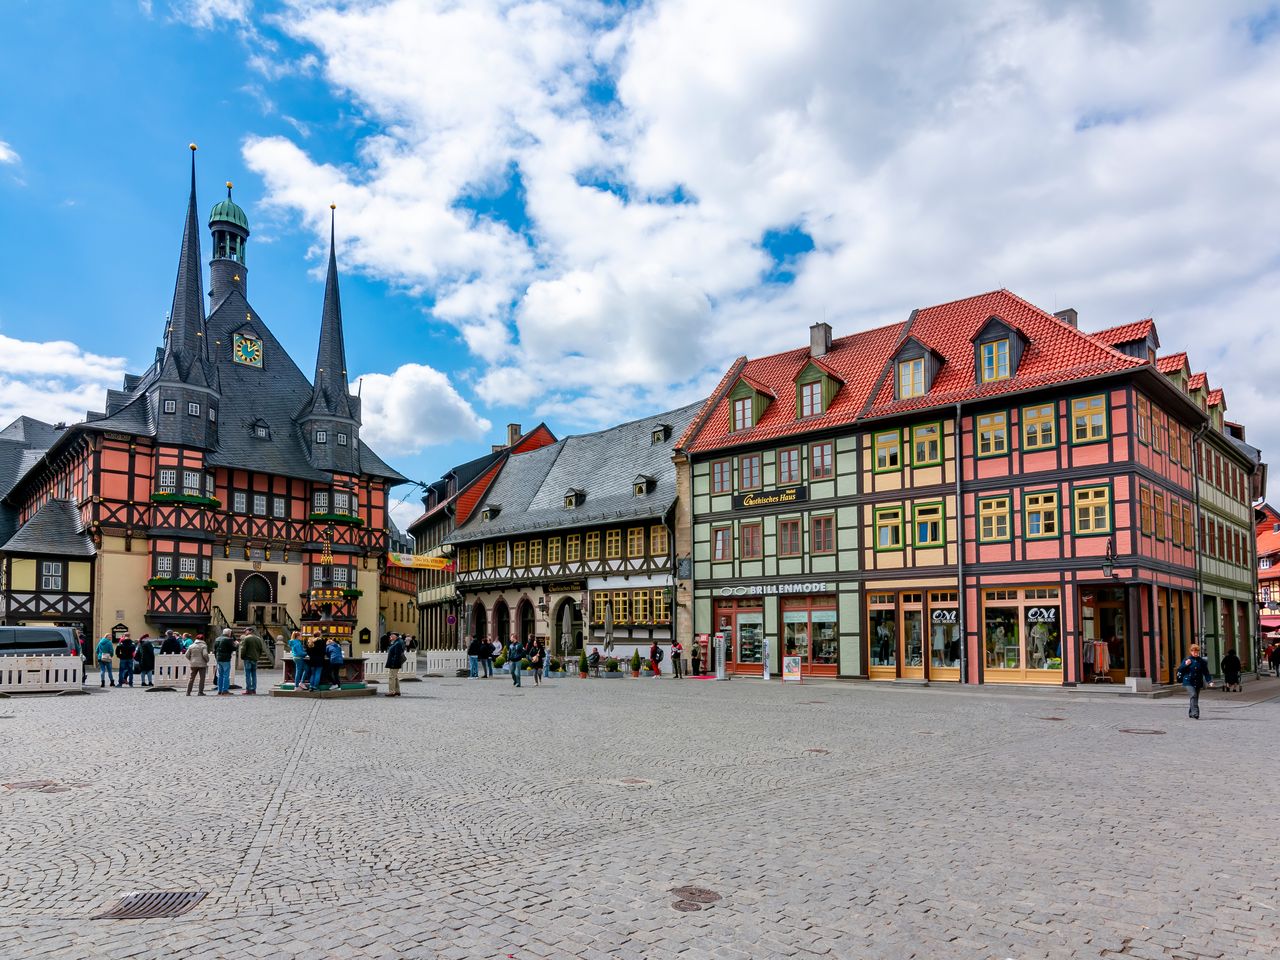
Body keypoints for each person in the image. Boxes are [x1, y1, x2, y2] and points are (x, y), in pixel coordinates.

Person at [1176, 643, 1213, 720]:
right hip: (1188, 681)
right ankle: (1195, 713)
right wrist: (1185, 665)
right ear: (1190, 651)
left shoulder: (1202, 661)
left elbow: (1206, 672)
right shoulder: (1187, 660)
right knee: (1193, 695)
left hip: (1198, 681)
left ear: (1198, 652)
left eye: (1196, 651)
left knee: (1195, 697)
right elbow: (1180, 669)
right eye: (1193, 651)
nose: (1195, 653)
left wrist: (1209, 681)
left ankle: (1191, 712)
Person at [237, 628, 265, 695]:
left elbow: (243, 649)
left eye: (246, 631)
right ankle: (253, 689)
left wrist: (242, 657)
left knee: (248, 674)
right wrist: (258, 657)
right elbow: (261, 649)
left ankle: (248, 689)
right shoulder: (258, 639)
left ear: (250, 631)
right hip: (255, 658)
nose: (245, 632)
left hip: (247, 658)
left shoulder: (246, 639)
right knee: (254, 674)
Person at [213, 629, 237, 696]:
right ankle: (225, 690)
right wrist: (236, 644)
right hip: (226, 659)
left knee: (220, 675)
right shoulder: (228, 639)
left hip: (219, 659)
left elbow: (214, 649)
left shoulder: (217, 639)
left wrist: (216, 657)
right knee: (226, 675)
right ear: (229, 633)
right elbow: (233, 648)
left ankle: (219, 690)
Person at [385, 632, 406, 697]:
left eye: (392, 635)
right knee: (395, 677)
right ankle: (397, 691)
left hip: (394, 663)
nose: (390, 636)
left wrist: (394, 663)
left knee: (391, 677)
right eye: (391, 635)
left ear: (396, 636)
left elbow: (397, 655)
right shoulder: (395, 642)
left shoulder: (398, 643)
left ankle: (391, 691)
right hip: (394, 662)